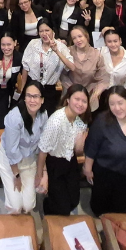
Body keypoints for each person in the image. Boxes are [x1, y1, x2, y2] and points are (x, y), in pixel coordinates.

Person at [84, 86, 126, 216]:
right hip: (104, 174)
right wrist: (87, 169)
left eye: (120, 103)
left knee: (120, 210)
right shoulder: (101, 121)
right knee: (100, 209)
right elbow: (91, 147)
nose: (117, 108)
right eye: (112, 104)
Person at [37, 85, 90, 216]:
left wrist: (82, 142)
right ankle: (48, 209)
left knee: (74, 200)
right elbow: (43, 150)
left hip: (70, 161)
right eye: (77, 99)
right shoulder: (56, 121)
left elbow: (77, 150)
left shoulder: (80, 121)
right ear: (67, 100)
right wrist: (42, 175)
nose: (80, 104)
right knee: (62, 208)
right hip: (54, 163)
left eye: (84, 101)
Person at [0, 81, 47, 214]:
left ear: (42, 100)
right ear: (24, 98)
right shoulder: (14, 117)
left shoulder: (43, 115)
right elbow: (11, 151)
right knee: (16, 207)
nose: (32, 100)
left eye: (36, 96)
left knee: (28, 206)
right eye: (29, 96)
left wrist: (42, 172)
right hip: (10, 161)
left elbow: (43, 145)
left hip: (30, 159)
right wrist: (17, 176)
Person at [22, 20, 73, 112]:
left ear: (53, 31)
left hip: (50, 89)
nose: (44, 34)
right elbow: (25, 68)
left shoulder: (61, 47)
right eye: (41, 31)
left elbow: (71, 67)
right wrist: (22, 89)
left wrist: (56, 51)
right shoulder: (33, 44)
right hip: (33, 86)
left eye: (47, 30)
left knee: (47, 120)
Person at [60, 26, 109, 110]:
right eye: (74, 38)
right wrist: (73, 89)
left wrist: (96, 93)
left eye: (80, 36)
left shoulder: (97, 54)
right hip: (71, 96)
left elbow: (103, 78)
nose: (78, 40)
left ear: (86, 36)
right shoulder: (68, 52)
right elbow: (63, 75)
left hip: (90, 98)